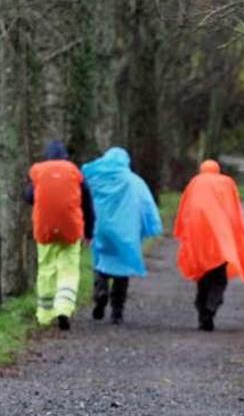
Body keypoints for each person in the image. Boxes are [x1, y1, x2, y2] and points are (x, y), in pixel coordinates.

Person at [173, 160, 244, 331]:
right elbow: (235, 211)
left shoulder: (195, 183)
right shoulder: (227, 183)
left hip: (198, 237)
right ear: (217, 170)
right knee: (218, 277)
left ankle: (202, 310)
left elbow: (185, 209)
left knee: (203, 276)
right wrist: (235, 233)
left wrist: (182, 231)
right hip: (221, 237)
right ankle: (212, 305)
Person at [82, 147, 162, 325]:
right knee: (122, 271)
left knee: (101, 263)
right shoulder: (134, 181)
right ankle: (117, 311)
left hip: (100, 229)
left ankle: (100, 293)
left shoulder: (94, 178)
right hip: (125, 231)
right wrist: (152, 227)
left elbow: (83, 200)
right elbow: (146, 204)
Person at [25, 140, 95, 331]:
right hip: (70, 229)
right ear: (65, 156)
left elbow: (29, 197)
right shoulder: (74, 172)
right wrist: (88, 232)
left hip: (44, 228)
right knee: (69, 269)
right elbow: (87, 204)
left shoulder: (39, 171)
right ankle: (63, 308)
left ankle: (45, 315)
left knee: (46, 269)